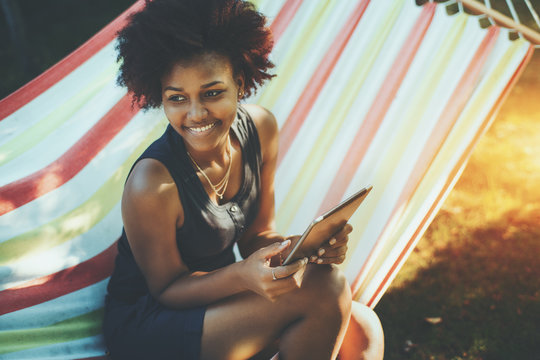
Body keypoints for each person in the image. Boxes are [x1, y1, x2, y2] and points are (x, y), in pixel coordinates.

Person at [103, 0, 384, 359]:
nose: (196, 113)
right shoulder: (153, 183)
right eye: (177, 98)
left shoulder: (260, 129)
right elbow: (167, 288)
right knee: (324, 291)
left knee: (363, 328)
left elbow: (257, 235)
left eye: (212, 93)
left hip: (219, 296)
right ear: (161, 97)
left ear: (239, 82)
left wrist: (299, 249)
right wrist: (241, 276)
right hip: (150, 323)